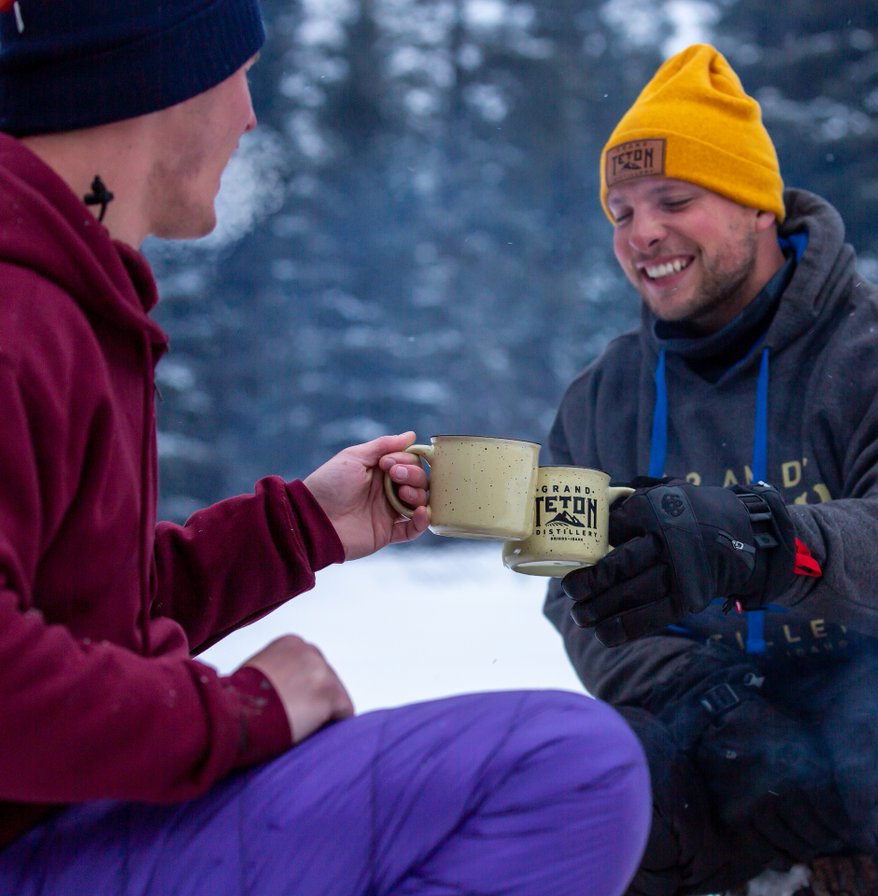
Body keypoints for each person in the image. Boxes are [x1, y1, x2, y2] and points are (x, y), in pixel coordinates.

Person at [0, 2, 649, 893]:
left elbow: (84, 613)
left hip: (69, 817)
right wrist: (236, 715)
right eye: (239, 75)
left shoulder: (61, 293)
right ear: (158, 81)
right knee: (569, 768)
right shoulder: (17, 311)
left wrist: (301, 528)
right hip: (41, 841)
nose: (248, 115)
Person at [543, 43, 878, 896]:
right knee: (573, 776)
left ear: (758, 207)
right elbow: (574, 590)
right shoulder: (603, 400)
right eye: (620, 211)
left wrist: (764, 542)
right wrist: (712, 699)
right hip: (710, 725)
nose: (641, 233)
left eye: (674, 200)